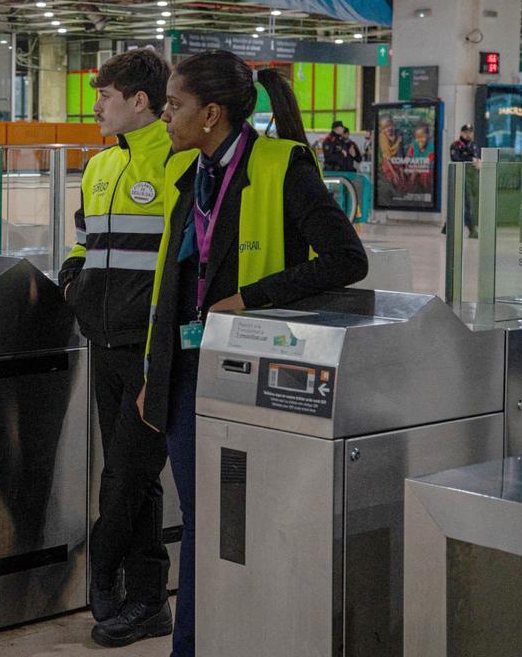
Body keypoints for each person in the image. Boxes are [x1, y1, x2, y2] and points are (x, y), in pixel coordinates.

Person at [96, 50, 368, 655]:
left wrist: (251, 298)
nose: (166, 116)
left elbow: (347, 259)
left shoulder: (280, 165)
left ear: (212, 113)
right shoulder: (188, 173)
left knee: (232, 525)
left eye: (175, 106)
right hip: (187, 373)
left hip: (254, 376)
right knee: (205, 521)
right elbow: (171, 284)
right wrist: (154, 373)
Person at [57, 48, 174, 639]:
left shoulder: (177, 163)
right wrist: (72, 281)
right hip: (102, 341)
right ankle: (149, 600)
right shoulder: (100, 167)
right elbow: (85, 241)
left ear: (139, 100)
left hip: (152, 349)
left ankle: (104, 570)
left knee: (127, 474)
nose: (96, 107)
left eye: (105, 97)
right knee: (132, 476)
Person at [448, 125, 480, 237]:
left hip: (473, 177)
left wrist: (477, 163)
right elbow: (455, 159)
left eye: (470, 132)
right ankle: (472, 229)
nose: (468, 134)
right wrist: (470, 159)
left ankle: (448, 226)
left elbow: (477, 159)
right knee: (467, 204)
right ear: (461, 133)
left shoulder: (474, 145)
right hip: (461, 176)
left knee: (470, 203)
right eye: (466, 132)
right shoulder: (456, 145)